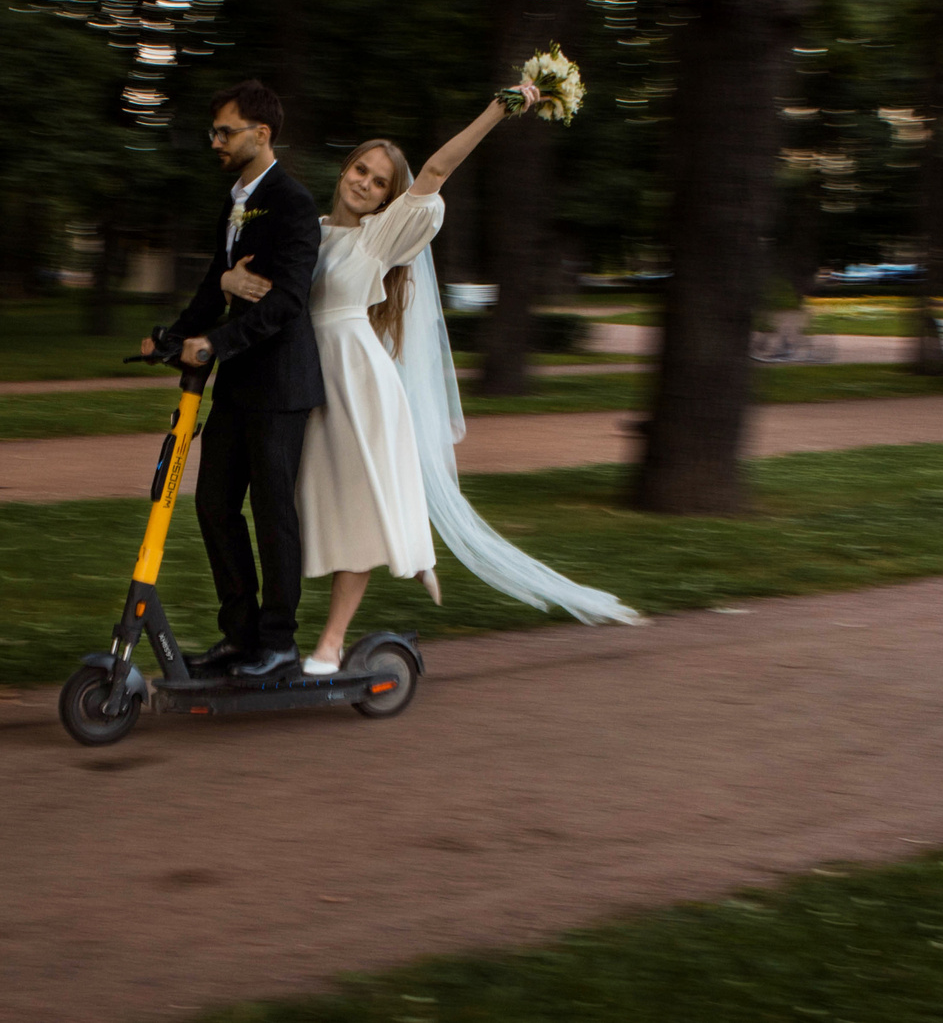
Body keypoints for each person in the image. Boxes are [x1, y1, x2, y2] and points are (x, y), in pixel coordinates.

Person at [221, 82, 640, 676]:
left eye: (380, 181)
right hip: (302, 382)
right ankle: (408, 541)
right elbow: (256, 284)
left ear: (388, 196)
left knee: (358, 505)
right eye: (361, 169)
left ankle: (331, 642)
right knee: (306, 503)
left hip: (357, 383)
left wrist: (503, 106)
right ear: (345, 168)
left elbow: (439, 169)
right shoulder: (306, 226)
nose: (365, 183)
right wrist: (224, 284)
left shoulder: (381, 236)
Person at [146, 80, 325, 680]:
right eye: (214, 132)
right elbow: (216, 284)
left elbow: (288, 302)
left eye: (226, 131)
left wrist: (215, 343)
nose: (216, 141)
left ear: (261, 134)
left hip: (281, 387)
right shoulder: (233, 202)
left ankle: (278, 643)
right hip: (238, 384)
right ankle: (240, 636)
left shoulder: (294, 203)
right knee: (214, 505)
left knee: (274, 513)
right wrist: (171, 338)